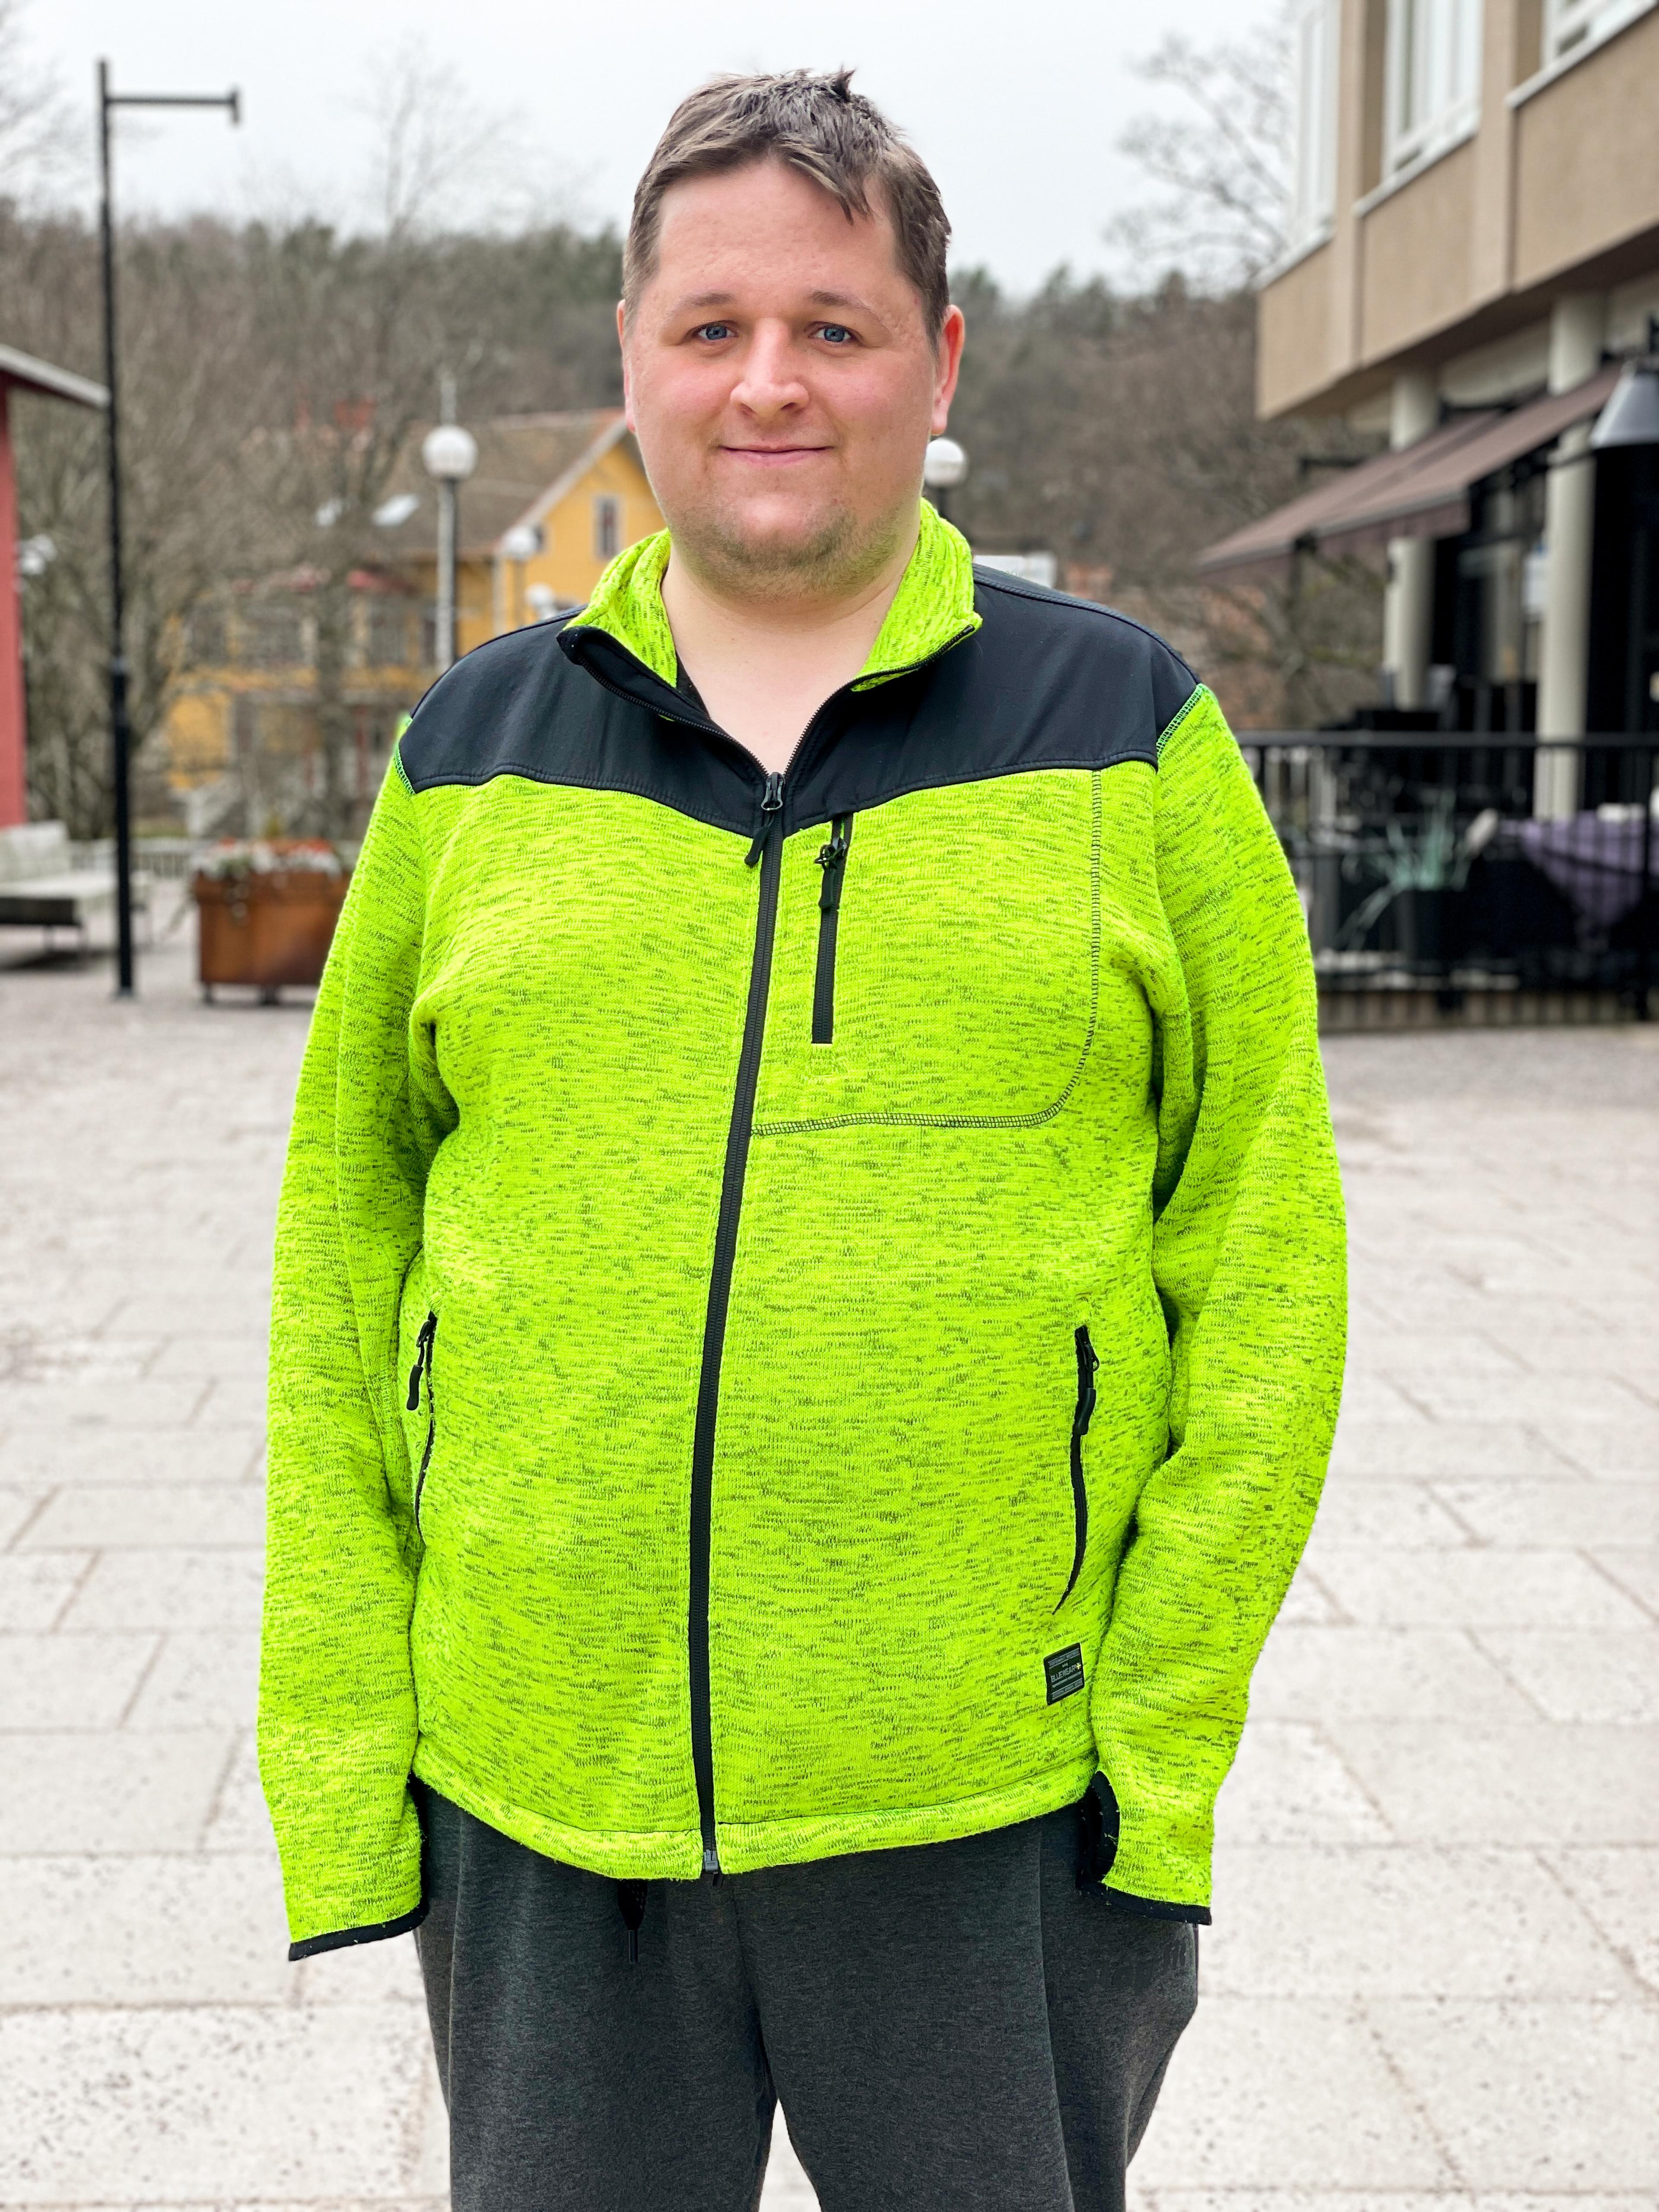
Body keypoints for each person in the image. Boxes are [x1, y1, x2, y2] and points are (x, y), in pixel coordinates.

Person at [259, 68, 1347, 2212]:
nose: (772, 382)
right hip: (545, 1795)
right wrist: (346, 1745)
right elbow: (341, 1250)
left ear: (937, 366)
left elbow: (1268, 1257)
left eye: (837, 328)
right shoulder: (467, 755)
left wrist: (1158, 1725)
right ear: (635, 362)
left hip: (994, 1796)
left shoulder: (1128, 739)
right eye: (715, 327)